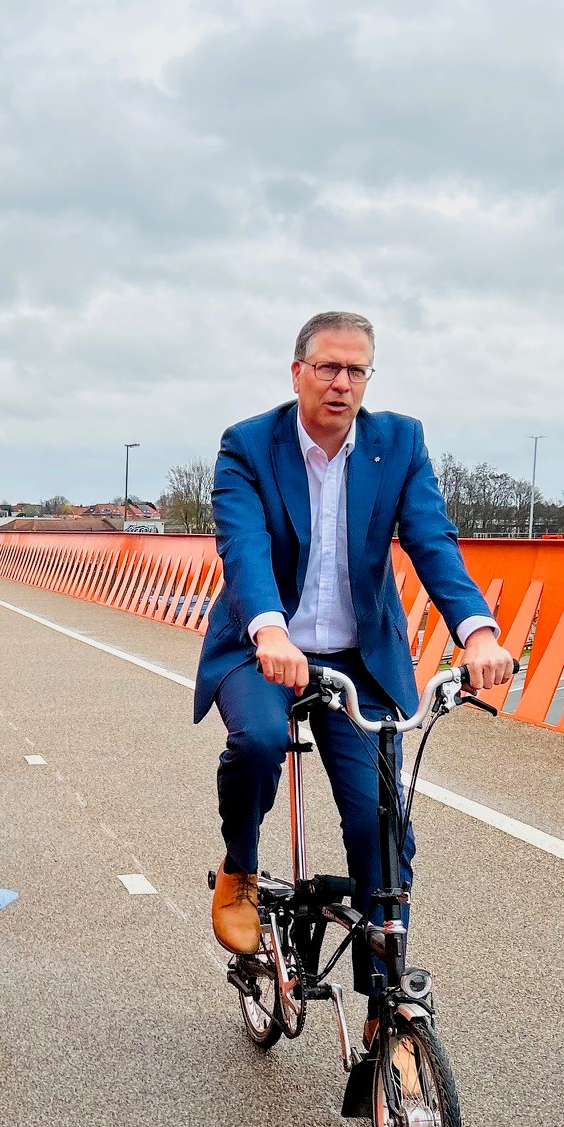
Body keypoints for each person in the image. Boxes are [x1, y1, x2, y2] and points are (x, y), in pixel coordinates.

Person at [194, 311, 514, 955]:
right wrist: (269, 630)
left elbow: (432, 542)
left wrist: (477, 632)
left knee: (380, 830)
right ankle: (240, 867)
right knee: (258, 742)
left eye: (356, 371)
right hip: (262, 651)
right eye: (328, 368)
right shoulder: (249, 445)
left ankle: (384, 1016)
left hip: (357, 663)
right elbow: (244, 547)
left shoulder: (398, 443)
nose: (341, 383)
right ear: (298, 373)